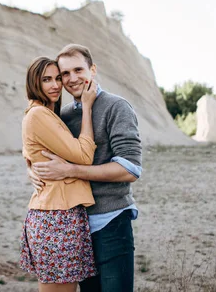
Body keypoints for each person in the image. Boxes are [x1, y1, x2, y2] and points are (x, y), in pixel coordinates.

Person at [29, 44, 142, 292]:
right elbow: (43, 149)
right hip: (75, 225)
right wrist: (32, 168)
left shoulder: (116, 107)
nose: (71, 79)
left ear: (92, 69)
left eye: (78, 70)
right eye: (64, 73)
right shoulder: (64, 114)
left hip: (111, 220)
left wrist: (71, 171)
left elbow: (130, 169)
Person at [19, 56, 101, 292]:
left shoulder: (44, 114)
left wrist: (30, 165)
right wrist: (86, 107)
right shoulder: (38, 115)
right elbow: (85, 156)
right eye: (46, 80)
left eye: (57, 78)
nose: (55, 85)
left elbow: (30, 149)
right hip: (56, 217)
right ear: (34, 82)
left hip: (57, 214)